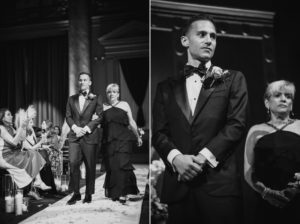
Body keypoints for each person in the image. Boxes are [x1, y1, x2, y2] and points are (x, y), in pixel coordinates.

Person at [152, 14, 248, 224]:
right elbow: (159, 133)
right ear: (185, 41)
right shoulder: (165, 88)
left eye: (213, 36)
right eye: (202, 34)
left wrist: (202, 159)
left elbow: (236, 125)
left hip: (219, 187)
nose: (209, 40)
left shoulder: (233, 79)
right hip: (179, 188)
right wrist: (177, 159)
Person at [244, 80, 300, 224]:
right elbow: (248, 171)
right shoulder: (255, 130)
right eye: (277, 95)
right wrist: (267, 193)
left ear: (292, 103)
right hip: (266, 202)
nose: (283, 99)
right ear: (267, 103)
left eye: (288, 96)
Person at [65, 72, 103, 204]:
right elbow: (68, 116)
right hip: (75, 137)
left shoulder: (96, 98)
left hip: (89, 136)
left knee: (90, 166)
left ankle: (88, 194)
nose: (82, 82)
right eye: (80, 80)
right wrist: (75, 128)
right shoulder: (72, 98)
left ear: (90, 82)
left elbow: (99, 116)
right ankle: (76, 193)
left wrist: (86, 129)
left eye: (85, 80)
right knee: (73, 163)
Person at [101, 83, 143, 203]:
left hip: (124, 139)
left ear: (118, 94)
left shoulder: (124, 105)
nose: (111, 94)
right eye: (109, 92)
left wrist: (138, 136)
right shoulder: (103, 107)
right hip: (109, 141)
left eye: (114, 92)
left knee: (123, 164)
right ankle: (116, 192)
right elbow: (99, 124)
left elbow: (132, 122)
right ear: (107, 94)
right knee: (113, 166)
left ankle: (123, 193)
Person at [0, 108, 48, 199]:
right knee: (32, 154)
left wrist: (24, 127)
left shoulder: (10, 127)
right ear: (2, 118)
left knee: (34, 154)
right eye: (8, 114)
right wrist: (22, 127)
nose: (11, 116)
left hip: (14, 153)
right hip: (6, 156)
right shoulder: (1, 128)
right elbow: (14, 142)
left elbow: (21, 139)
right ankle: (31, 187)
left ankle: (37, 181)